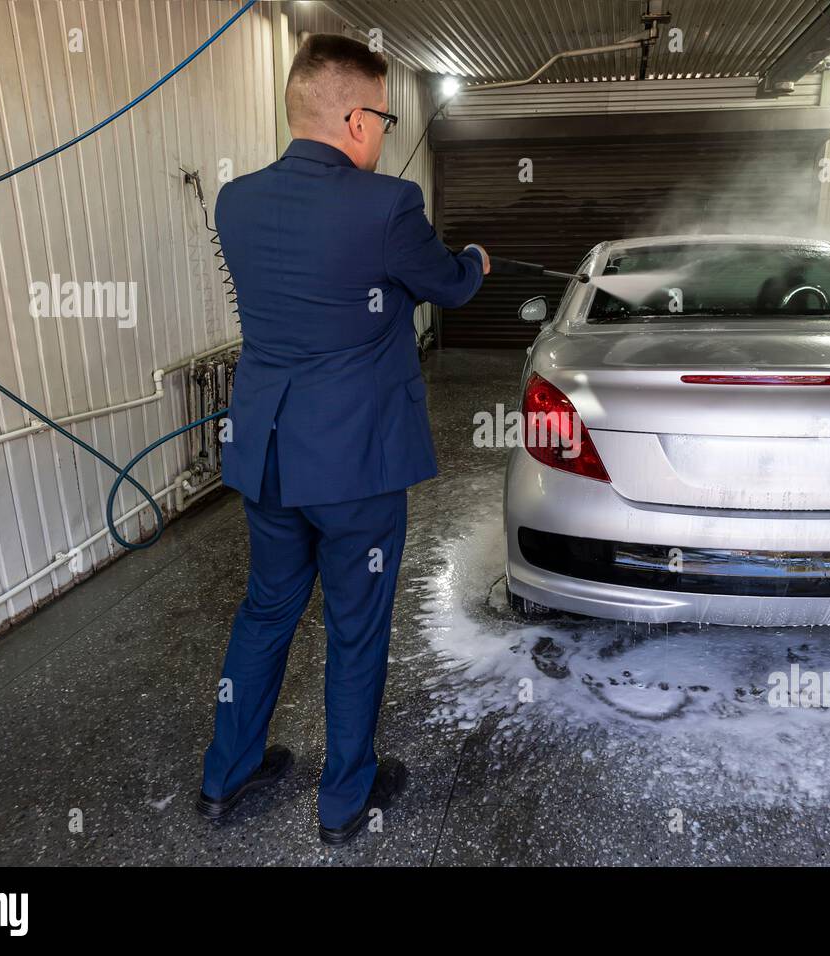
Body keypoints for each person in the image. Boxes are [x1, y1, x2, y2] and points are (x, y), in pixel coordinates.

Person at [194, 33, 489, 846]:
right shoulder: (386, 207)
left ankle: (227, 775)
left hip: (270, 457)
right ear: (356, 117)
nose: (385, 133)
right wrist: (475, 260)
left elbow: (315, 295)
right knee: (356, 624)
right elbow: (447, 285)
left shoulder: (237, 202)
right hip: (354, 465)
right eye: (384, 118)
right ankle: (343, 801)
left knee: (265, 612)